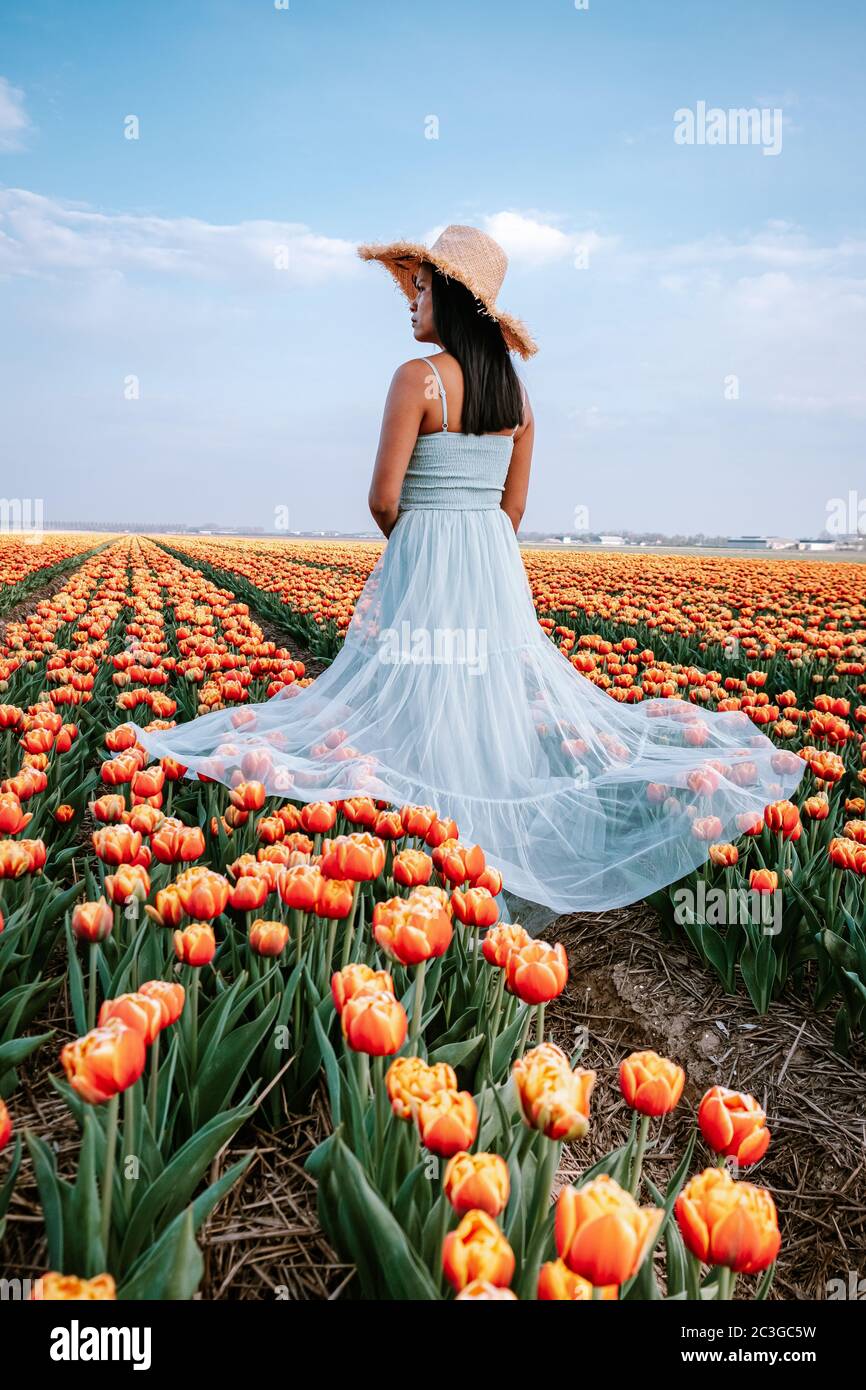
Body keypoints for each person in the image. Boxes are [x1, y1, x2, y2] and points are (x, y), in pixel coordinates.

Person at [127, 224, 804, 931]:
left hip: (430, 550)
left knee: (425, 693)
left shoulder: (415, 380)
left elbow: (383, 498)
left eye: (419, 289)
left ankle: (435, 856)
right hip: (492, 559)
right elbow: (514, 506)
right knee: (484, 697)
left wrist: (421, 547)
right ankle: (487, 856)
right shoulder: (518, 397)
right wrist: (475, 549)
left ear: (449, 298)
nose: (410, 302)